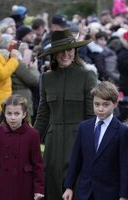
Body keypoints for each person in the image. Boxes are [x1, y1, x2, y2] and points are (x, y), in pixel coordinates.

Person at [34, 29, 97, 200]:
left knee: (76, 187)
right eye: (61, 50)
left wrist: (92, 147)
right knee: (52, 187)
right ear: (54, 53)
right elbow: (42, 115)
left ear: (75, 51)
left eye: (70, 50)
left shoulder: (87, 75)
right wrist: (30, 142)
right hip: (53, 145)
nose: (65, 54)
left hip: (78, 141)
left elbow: (92, 117)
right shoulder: (46, 78)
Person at [62, 81, 128, 200]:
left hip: (109, 193)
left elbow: (126, 166)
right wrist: (69, 186)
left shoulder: (122, 131)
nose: (100, 109)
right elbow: (75, 159)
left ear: (115, 104)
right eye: (97, 104)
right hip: (85, 191)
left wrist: (124, 195)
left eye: (105, 105)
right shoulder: (84, 127)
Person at [0, 94, 44, 200]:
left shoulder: (32, 134)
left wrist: (38, 189)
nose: (13, 117)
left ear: (24, 114)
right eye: (9, 113)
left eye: (17, 114)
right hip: (2, 185)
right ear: (4, 114)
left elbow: (37, 164)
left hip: (24, 185)